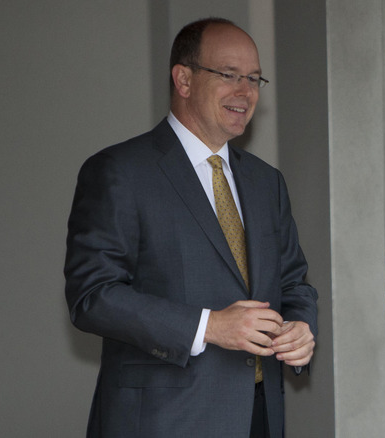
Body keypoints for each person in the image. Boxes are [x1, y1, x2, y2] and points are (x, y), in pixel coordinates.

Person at [64, 17, 318, 438]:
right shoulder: (120, 171)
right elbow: (92, 295)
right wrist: (209, 326)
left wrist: (300, 328)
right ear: (183, 79)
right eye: (229, 75)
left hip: (260, 417)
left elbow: (293, 284)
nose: (246, 91)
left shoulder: (266, 181)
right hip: (164, 421)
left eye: (254, 78)